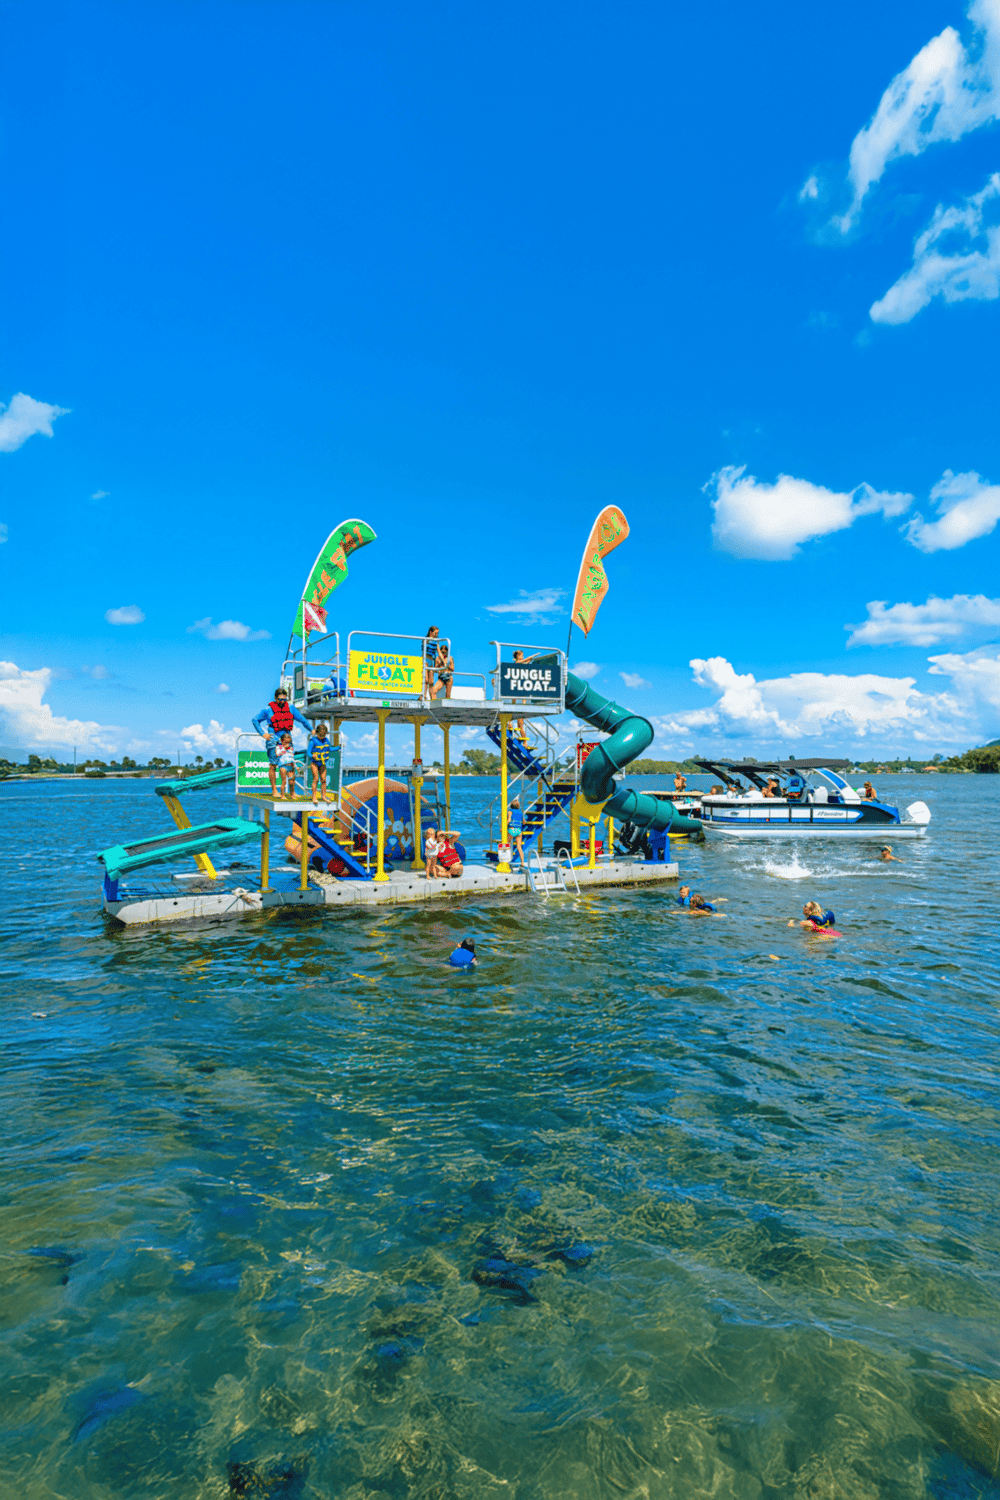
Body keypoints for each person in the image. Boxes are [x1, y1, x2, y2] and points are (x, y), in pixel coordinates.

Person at [252, 687, 311, 796]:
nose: (282, 702)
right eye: (280, 699)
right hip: (273, 740)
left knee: (290, 765)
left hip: (288, 741)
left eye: (284, 699)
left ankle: (292, 793)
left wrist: (311, 730)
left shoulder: (291, 708)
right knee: (273, 765)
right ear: (275, 698)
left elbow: (302, 719)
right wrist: (263, 733)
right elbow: (255, 720)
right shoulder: (267, 710)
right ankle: (275, 790)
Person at [308, 723, 332, 801]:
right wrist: (312, 756)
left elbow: (330, 749)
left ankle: (324, 796)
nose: (322, 737)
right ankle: (314, 797)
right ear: (317, 733)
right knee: (316, 779)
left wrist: (339, 747)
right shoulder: (313, 741)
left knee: (323, 779)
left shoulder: (326, 740)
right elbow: (308, 753)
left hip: (322, 763)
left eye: (323, 735)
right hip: (314, 763)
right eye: (320, 735)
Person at [276, 734, 297, 799]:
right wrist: (284, 748)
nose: (287, 744)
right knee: (284, 781)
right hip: (283, 766)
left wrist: (295, 766)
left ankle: (292, 794)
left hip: (290, 766)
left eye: (288, 742)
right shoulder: (279, 747)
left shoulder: (291, 748)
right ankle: (282, 795)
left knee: (291, 781)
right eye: (286, 742)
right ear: (282, 741)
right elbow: (277, 754)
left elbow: (292, 758)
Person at [508, 796, 525, 866]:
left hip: (512, 830)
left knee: (506, 845)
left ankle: (505, 861)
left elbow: (509, 820)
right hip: (518, 830)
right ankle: (522, 862)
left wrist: (502, 827)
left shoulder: (510, 811)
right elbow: (524, 822)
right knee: (519, 847)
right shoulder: (520, 812)